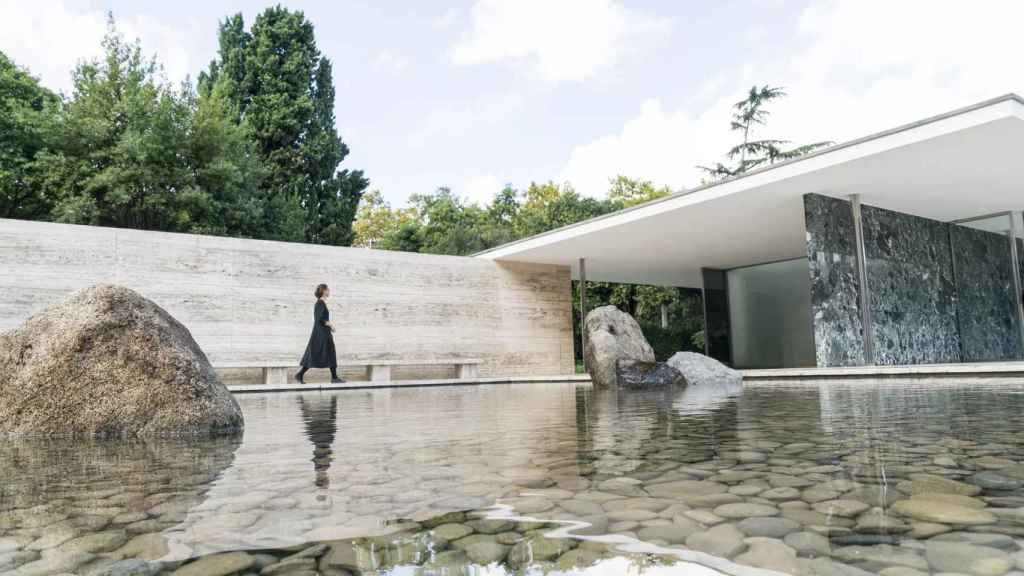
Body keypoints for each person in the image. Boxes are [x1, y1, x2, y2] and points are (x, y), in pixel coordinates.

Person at [296, 284, 344, 384]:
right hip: (322, 333)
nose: (329, 291)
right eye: (328, 289)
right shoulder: (320, 303)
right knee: (320, 352)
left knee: (327, 352)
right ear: (324, 291)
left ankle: (334, 377)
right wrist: (331, 325)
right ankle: (300, 374)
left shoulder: (321, 303)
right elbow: (320, 319)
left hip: (322, 332)